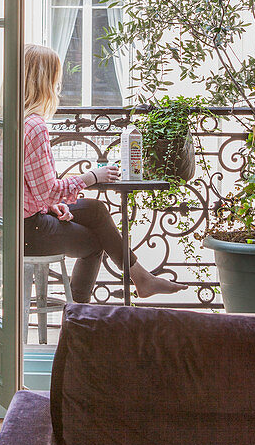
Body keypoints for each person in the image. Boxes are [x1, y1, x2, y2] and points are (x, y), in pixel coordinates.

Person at [23, 43, 187, 303]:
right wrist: (94, 176)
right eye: (56, 78)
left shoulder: (9, 120)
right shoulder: (34, 127)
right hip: (27, 231)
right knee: (94, 242)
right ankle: (79, 315)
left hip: (6, 224)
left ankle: (141, 278)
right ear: (44, 81)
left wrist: (52, 206)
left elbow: (29, 190)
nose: (58, 86)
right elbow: (48, 190)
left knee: (96, 210)